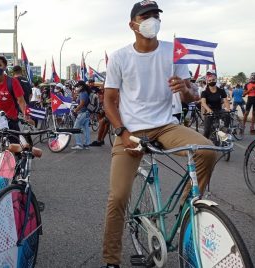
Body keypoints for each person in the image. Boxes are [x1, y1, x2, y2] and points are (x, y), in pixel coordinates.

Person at [101, 2, 216, 267]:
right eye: (146, 16)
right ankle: (111, 260)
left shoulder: (172, 53)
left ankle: (187, 209)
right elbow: (109, 100)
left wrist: (184, 88)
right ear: (133, 25)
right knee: (118, 196)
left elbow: (189, 97)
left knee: (207, 150)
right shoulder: (120, 57)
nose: (153, 20)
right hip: (130, 129)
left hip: (166, 125)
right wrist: (121, 131)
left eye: (156, 16)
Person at [71, 81, 91, 150]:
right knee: (86, 129)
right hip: (87, 112)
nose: (77, 88)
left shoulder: (83, 93)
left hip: (82, 113)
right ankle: (87, 144)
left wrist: (75, 110)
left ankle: (79, 144)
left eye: (78, 86)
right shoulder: (85, 92)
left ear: (81, 86)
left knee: (75, 128)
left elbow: (82, 104)